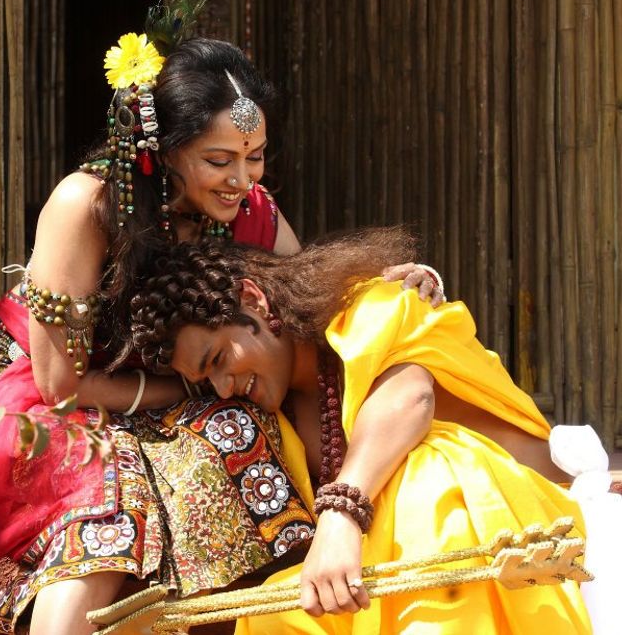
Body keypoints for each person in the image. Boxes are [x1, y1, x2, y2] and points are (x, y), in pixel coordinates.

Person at [0, 0, 442, 634]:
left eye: (254, 156)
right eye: (219, 160)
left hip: (178, 386)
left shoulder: (252, 211)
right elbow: (61, 385)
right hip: (33, 392)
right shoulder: (89, 204)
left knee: (244, 426)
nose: (242, 179)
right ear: (165, 148)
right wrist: (193, 386)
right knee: (112, 490)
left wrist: (381, 289)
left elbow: (296, 305)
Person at [128, 230, 594, 634]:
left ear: (254, 300)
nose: (223, 387)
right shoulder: (272, 414)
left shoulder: (374, 305)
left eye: (217, 360)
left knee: (428, 468)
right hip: (401, 569)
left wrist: (339, 518)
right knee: (272, 613)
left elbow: (409, 398)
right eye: (206, 381)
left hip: (525, 529)